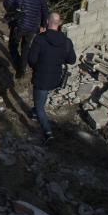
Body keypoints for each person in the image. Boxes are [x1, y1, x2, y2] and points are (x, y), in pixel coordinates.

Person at [28, 12, 76, 144]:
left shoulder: (40, 39)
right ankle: (34, 113)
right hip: (55, 78)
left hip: (41, 77)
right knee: (41, 99)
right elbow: (71, 60)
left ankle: (48, 133)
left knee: (39, 106)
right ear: (59, 24)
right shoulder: (66, 41)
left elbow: (31, 59)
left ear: (48, 22)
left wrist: (37, 65)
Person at [2, 0, 49, 79]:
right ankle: (22, 70)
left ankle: (19, 66)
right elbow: (45, 11)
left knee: (13, 46)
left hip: (18, 25)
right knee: (26, 47)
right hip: (32, 27)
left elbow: (6, 3)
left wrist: (13, 11)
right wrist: (43, 25)